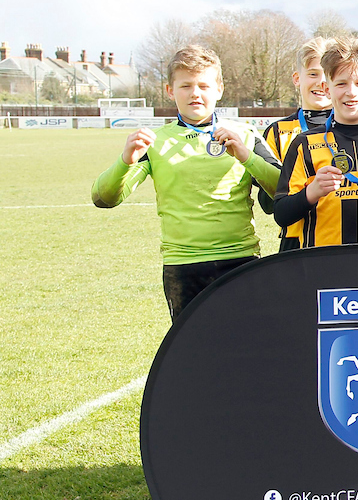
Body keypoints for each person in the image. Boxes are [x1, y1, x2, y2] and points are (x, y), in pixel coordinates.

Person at [91, 45, 282, 320]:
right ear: (170, 90)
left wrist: (245, 156)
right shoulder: (154, 142)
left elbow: (283, 190)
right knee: (192, 356)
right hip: (183, 266)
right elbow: (104, 198)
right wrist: (126, 161)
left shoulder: (244, 134)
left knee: (247, 352)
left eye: (204, 85)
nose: (195, 93)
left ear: (219, 89)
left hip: (240, 260)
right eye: (185, 86)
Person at [273, 38, 358, 246]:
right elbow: (281, 213)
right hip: (324, 266)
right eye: (341, 83)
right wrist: (311, 192)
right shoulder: (304, 144)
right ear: (326, 88)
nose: (351, 92)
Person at [260, 36, 335, 250]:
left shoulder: (353, 130)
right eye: (313, 73)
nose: (321, 82)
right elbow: (268, 205)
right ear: (296, 78)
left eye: (327, 74)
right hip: (295, 242)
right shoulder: (277, 132)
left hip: (342, 239)